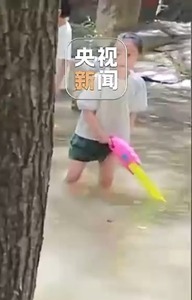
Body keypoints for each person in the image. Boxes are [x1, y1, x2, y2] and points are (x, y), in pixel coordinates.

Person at [65, 33, 147, 192]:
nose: (122, 59)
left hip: (114, 141)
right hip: (87, 136)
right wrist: (100, 134)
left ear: (139, 56)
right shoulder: (99, 78)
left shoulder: (138, 84)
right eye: (117, 54)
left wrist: (126, 142)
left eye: (128, 55)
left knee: (106, 182)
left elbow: (132, 113)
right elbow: (87, 110)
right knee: (72, 178)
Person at [55, 0, 72, 93]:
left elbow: (65, 61)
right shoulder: (58, 28)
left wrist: (56, 86)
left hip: (55, 78)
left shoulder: (65, 32)